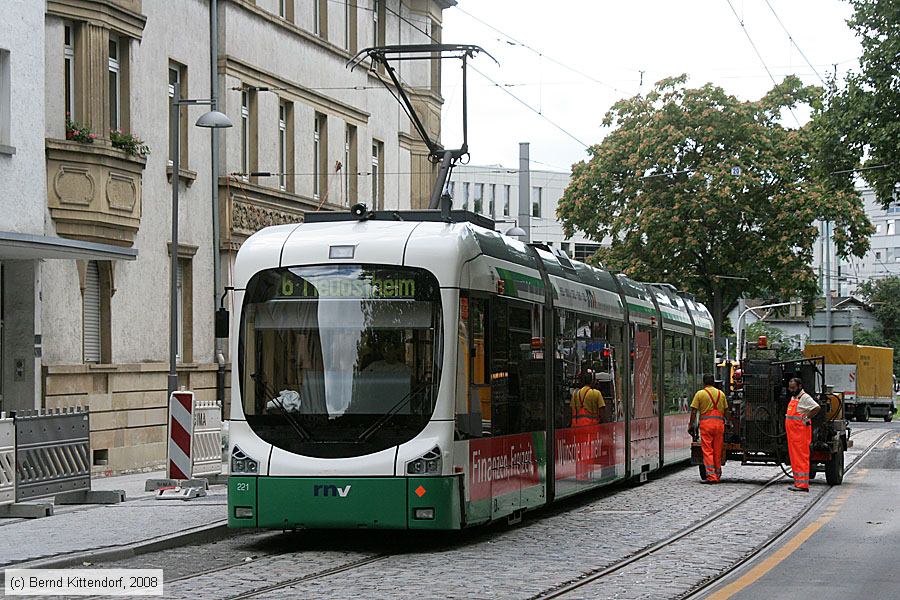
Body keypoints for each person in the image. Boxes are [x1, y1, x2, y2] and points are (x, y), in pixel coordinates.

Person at [689, 374, 733, 483]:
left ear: (704, 383)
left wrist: (691, 424)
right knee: (718, 450)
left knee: (708, 450)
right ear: (713, 382)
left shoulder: (700, 394)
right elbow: (726, 411)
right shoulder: (721, 394)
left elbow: (694, 411)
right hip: (719, 426)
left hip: (706, 426)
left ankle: (711, 476)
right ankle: (717, 474)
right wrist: (729, 423)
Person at [785, 377, 821, 492]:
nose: (791, 390)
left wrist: (806, 418)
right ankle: (798, 482)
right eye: (790, 388)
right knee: (795, 459)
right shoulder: (794, 397)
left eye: (793, 388)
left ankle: (802, 485)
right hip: (794, 436)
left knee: (801, 459)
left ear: (800, 386)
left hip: (800, 436)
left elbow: (816, 407)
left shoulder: (804, 398)